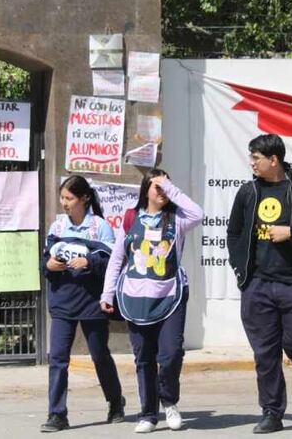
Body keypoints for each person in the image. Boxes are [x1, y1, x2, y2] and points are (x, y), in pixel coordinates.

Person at [226, 134, 292, 434]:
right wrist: (241, 273)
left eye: (256, 158)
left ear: (273, 160)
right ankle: (272, 412)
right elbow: (233, 233)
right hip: (257, 287)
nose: (252, 163)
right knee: (265, 353)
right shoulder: (248, 192)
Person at [101, 169, 203, 434]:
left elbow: (198, 213)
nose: (163, 192)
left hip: (170, 295)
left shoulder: (177, 219)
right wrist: (107, 294)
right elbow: (116, 260)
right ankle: (148, 413)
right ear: (146, 189)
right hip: (135, 297)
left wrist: (171, 188)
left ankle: (169, 401)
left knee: (170, 354)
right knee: (144, 357)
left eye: (167, 187)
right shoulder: (131, 218)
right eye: (158, 186)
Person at [41, 175, 126, 433]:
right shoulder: (57, 227)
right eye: (62, 198)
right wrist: (49, 265)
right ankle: (57, 414)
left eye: (69, 198)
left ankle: (115, 402)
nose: (64, 203)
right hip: (62, 302)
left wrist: (90, 262)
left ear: (84, 198)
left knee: (99, 355)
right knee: (57, 358)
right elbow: (45, 261)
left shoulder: (100, 227)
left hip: (91, 302)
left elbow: (113, 264)